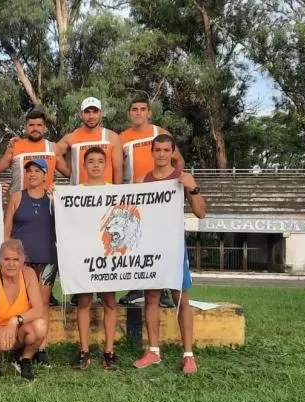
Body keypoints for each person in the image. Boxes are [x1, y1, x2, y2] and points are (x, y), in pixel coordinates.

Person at [133, 134, 206, 374]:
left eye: (167, 150)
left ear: (173, 152)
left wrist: (192, 189)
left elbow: (201, 214)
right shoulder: (143, 180)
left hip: (174, 246)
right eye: (158, 150)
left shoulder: (182, 178)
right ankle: (153, 350)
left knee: (180, 299)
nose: (162, 154)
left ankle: (188, 355)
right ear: (152, 152)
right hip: (151, 246)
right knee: (151, 298)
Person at [119, 97, 185, 306]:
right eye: (134, 109)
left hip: (160, 198)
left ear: (149, 113)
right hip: (135, 196)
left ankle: (163, 289)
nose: (138, 113)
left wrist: (174, 185)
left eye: (142, 109)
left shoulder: (160, 134)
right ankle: (136, 288)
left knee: (160, 242)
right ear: (129, 114)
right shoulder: (122, 138)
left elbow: (179, 161)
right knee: (137, 241)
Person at [3, 158, 57, 364]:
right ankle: (20, 343)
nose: (32, 174)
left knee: (42, 303)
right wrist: (5, 255)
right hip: (20, 261)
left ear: (45, 175)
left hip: (46, 258)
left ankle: (41, 347)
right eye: (29, 171)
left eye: (37, 171)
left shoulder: (53, 199)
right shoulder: (17, 197)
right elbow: (7, 227)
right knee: (21, 302)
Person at [71, 146, 120, 371]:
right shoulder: (75, 191)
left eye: (100, 161)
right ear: (84, 165)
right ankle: (84, 350)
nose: (96, 165)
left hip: (107, 254)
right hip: (84, 255)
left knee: (110, 301)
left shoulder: (116, 191)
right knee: (84, 302)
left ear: (106, 164)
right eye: (91, 161)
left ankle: (109, 351)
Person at [0, 240, 48, 386]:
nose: (11, 264)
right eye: (7, 259)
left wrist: (15, 320)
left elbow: (39, 309)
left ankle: (24, 360)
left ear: (23, 260)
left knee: (40, 326)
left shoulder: (28, 274)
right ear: (0, 259)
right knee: (3, 344)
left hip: (17, 326)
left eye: (16, 259)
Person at [55, 97, 124, 186]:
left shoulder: (112, 137)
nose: (91, 116)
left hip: (105, 194)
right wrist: (69, 173)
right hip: (79, 195)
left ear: (101, 113)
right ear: (80, 114)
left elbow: (118, 170)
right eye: (87, 112)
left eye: (95, 112)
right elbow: (53, 154)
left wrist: (117, 193)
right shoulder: (71, 137)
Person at [0, 109, 58, 194]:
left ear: (44, 127)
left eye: (39, 125)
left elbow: (69, 172)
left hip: (46, 203)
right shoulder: (14, 146)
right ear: (26, 127)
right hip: (18, 203)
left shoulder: (54, 147)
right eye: (31, 125)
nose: (35, 128)